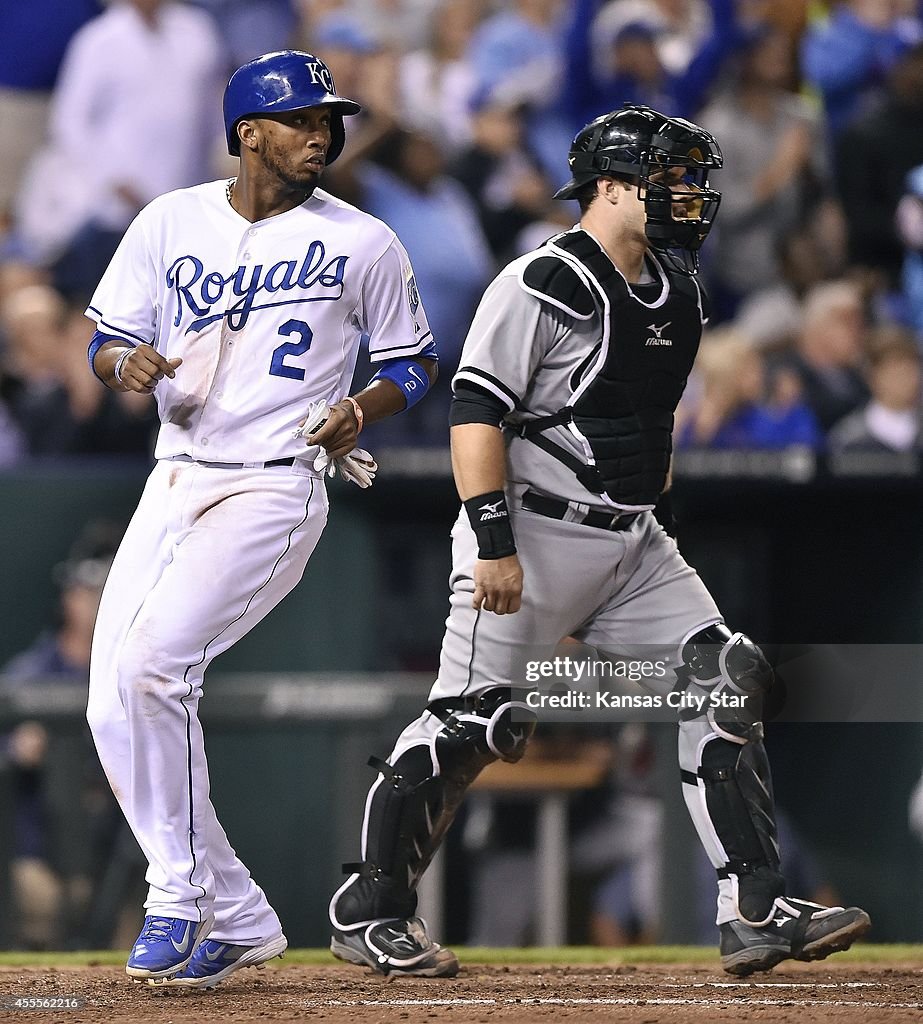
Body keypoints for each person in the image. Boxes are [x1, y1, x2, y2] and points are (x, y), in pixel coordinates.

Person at [327, 104, 871, 978]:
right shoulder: (543, 279)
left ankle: (756, 907)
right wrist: (494, 542)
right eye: (667, 179)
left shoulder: (680, 287)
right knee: (472, 724)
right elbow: (475, 416)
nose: (688, 195)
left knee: (726, 676)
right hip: (530, 534)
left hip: (631, 541)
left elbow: (632, 422)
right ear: (609, 188)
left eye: (691, 179)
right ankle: (370, 908)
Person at [83, 50, 437, 987]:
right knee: (107, 703)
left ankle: (179, 896)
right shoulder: (170, 220)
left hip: (276, 481)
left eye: (328, 120)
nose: (321, 133)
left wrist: (360, 410)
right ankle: (237, 914)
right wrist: (118, 364)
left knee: (156, 667)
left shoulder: (364, 240)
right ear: (248, 132)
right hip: (173, 477)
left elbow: (410, 365)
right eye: (301, 119)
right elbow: (107, 337)